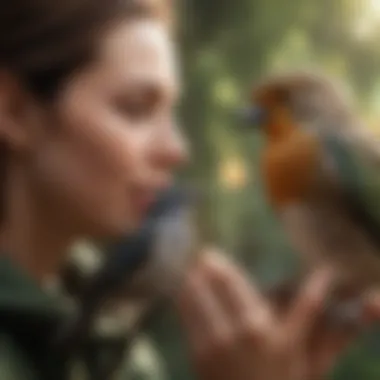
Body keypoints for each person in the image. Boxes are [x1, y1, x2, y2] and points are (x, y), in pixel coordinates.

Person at [0, 0, 378, 379]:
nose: (177, 151)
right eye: (135, 109)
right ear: (15, 109)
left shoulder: (103, 328)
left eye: (171, 114)